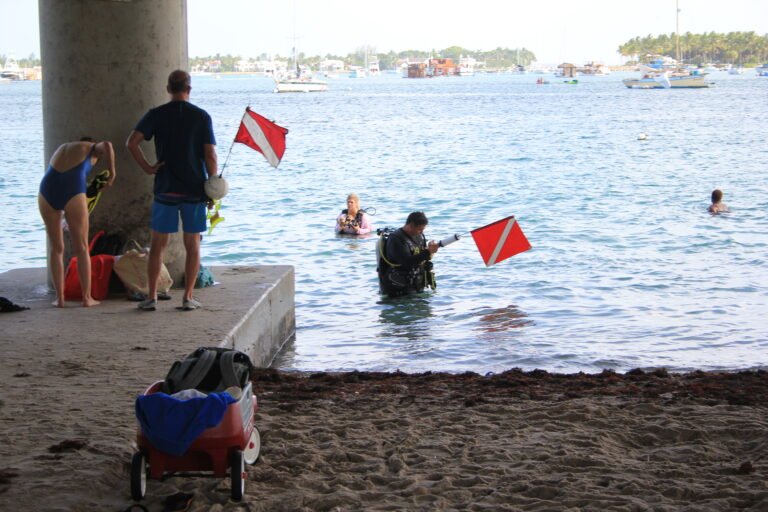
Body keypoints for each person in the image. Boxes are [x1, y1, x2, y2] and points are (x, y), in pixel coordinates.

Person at [126, 70, 218, 312]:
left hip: (165, 188)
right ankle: (187, 297)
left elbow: (131, 143)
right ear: (189, 89)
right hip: (194, 189)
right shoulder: (201, 117)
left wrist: (148, 168)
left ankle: (152, 297)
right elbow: (210, 154)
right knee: (193, 245)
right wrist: (213, 185)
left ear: (168, 89)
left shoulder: (156, 115)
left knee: (158, 245)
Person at [38, 137, 116, 307]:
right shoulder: (91, 148)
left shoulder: (63, 147)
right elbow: (108, 145)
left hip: (46, 190)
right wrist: (112, 174)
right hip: (72, 188)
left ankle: (59, 298)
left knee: (56, 248)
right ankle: (86, 298)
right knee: (81, 248)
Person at [377, 211, 440, 297]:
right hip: (399, 292)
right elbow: (407, 263)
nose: (421, 232)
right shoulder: (396, 239)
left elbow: (421, 257)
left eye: (423, 230)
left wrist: (430, 251)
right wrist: (428, 252)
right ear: (411, 225)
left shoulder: (418, 236)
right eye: (419, 229)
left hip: (415, 288)